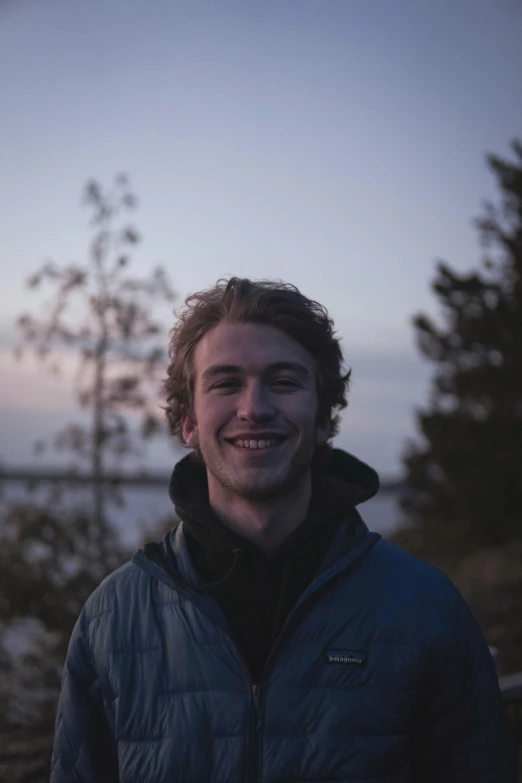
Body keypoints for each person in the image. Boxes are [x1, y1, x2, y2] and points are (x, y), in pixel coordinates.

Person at [51, 277, 515, 782]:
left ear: (322, 418)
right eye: (226, 383)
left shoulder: (427, 610)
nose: (254, 408)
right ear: (187, 421)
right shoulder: (112, 619)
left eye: (284, 381)